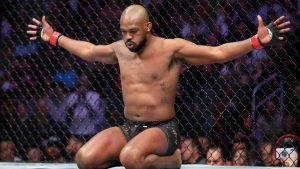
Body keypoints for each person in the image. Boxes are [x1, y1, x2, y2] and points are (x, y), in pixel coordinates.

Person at [27, 4, 290, 169]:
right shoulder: (120, 49)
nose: (127, 37)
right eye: (123, 32)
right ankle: (136, 157)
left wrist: (255, 41)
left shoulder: (171, 48)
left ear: (148, 27)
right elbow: (89, 50)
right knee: (84, 159)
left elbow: (217, 53)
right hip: (130, 126)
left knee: (130, 158)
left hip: (163, 129)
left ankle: (170, 160)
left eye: (133, 31)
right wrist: (53, 37)